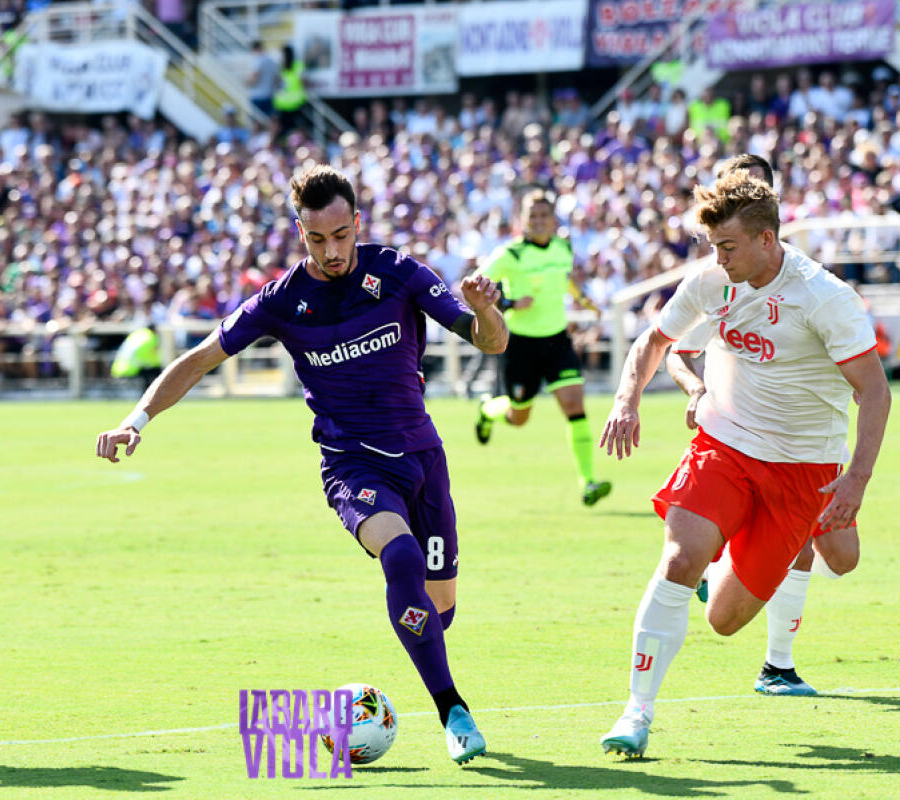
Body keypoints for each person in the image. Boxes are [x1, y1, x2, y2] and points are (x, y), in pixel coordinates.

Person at [96, 164, 508, 764]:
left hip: (423, 458)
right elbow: (200, 357)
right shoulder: (283, 300)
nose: (332, 250)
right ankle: (454, 711)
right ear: (300, 232)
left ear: (356, 223)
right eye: (317, 239)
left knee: (437, 611)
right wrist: (135, 420)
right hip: (352, 465)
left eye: (341, 235)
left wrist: (485, 311)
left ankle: (398, 687)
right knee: (401, 558)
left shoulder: (397, 273)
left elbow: (488, 341)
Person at [598, 169, 889, 758]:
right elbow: (655, 343)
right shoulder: (710, 282)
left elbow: (876, 392)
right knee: (678, 557)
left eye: (727, 246)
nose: (718, 258)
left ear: (766, 239)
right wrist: (627, 401)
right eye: (712, 246)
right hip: (724, 446)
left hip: (803, 469)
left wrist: (856, 478)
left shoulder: (825, 298)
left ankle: (725, 579)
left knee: (726, 618)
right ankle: (637, 711)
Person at [668, 153, 860, 698]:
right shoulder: (717, 279)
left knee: (843, 560)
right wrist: (697, 388)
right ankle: (778, 666)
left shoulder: (800, 278)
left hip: (813, 442)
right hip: (741, 442)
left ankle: (728, 566)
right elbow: (677, 351)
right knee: (792, 547)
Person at [472, 189, 611, 507]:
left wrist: (583, 299)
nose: (538, 221)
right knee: (519, 417)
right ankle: (487, 410)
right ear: (522, 221)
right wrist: (507, 302)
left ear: (553, 220)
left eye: (543, 215)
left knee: (574, 405)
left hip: (556, 340)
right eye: (532, 216)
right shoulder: (511, 254)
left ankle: (587, 483)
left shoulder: (563, 247)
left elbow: (564, 278)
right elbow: (474, 285)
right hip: (520, 345)